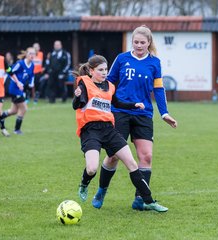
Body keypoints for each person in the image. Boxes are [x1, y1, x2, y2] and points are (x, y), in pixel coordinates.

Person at [91, 25, 177, 210]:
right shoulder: (122, 59)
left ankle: (139, 200)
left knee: (146, 156)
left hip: (143, 114)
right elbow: (109, 82)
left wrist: (164, 113)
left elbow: (159, 89)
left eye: (142, 42)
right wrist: (101, 102)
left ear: (149, 43)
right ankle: (101, 191)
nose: (138, 45)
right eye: (136, 42)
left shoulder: (155, 63)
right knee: (113, 155)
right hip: (120, 111)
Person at [73, 55, 168, 212]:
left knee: (132, 163)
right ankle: (84, 184)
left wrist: (134, 105)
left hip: (108, 130)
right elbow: (77, 104)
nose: (104, 73)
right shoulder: (84, 83)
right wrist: (77, 97)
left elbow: (117, 103)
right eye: (100, 70)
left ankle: (148, 200)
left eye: (106, 70)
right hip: (90, 131)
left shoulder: (110, 86)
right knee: (91, 169)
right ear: (91, 71)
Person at [0, 47, 35, 135]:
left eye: (33, 54)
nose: (32, 55)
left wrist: (31, 84)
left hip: (20, 90)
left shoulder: (32, 65)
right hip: (14, 89)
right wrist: (18, 83)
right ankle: (17, 130)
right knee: (24, 108)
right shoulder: (20, 63)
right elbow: (10, 72)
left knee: (13, 111)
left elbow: (32, 75)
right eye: (30, 53)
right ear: (26, 54)